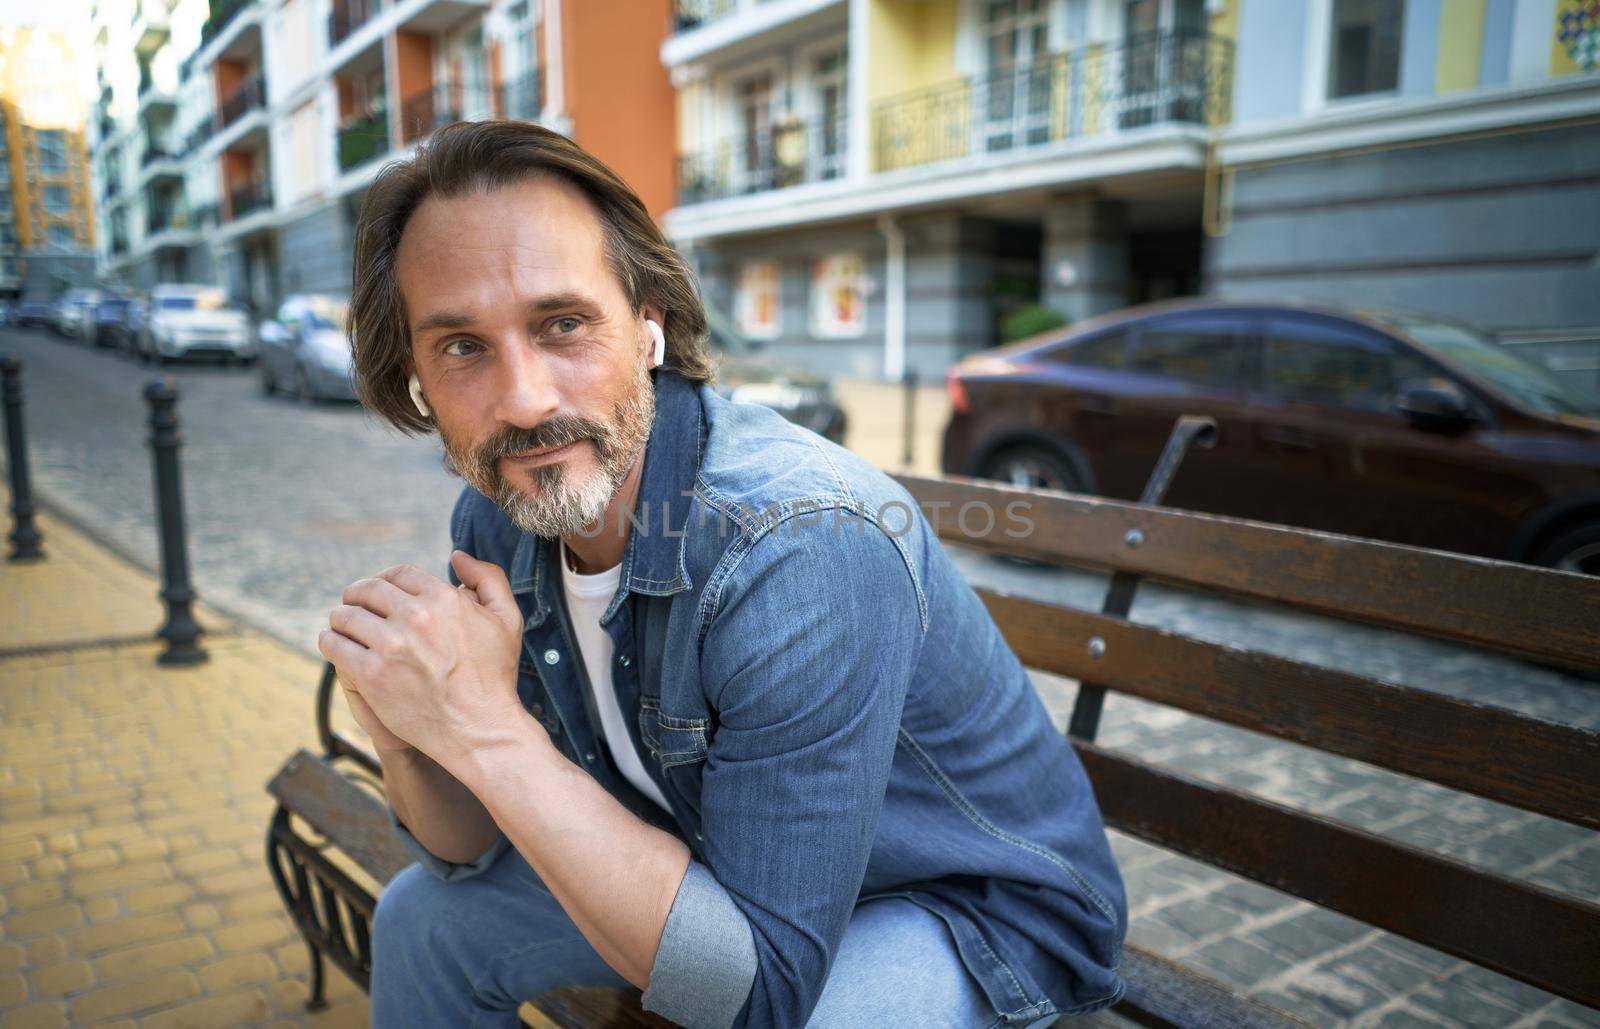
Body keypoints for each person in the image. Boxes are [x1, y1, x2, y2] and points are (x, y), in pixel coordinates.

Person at [320, 120, 1126, 1029]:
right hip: (715, 858)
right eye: (462, 346)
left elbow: (756, 996)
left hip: (964, 905)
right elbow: (461, 853)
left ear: (648, 326)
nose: (525, 401)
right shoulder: (498, 517)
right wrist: (409, 728)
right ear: (418, 375)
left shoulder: (798, 545)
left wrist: (484, 726)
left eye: (564, 324)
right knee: (423, 921)